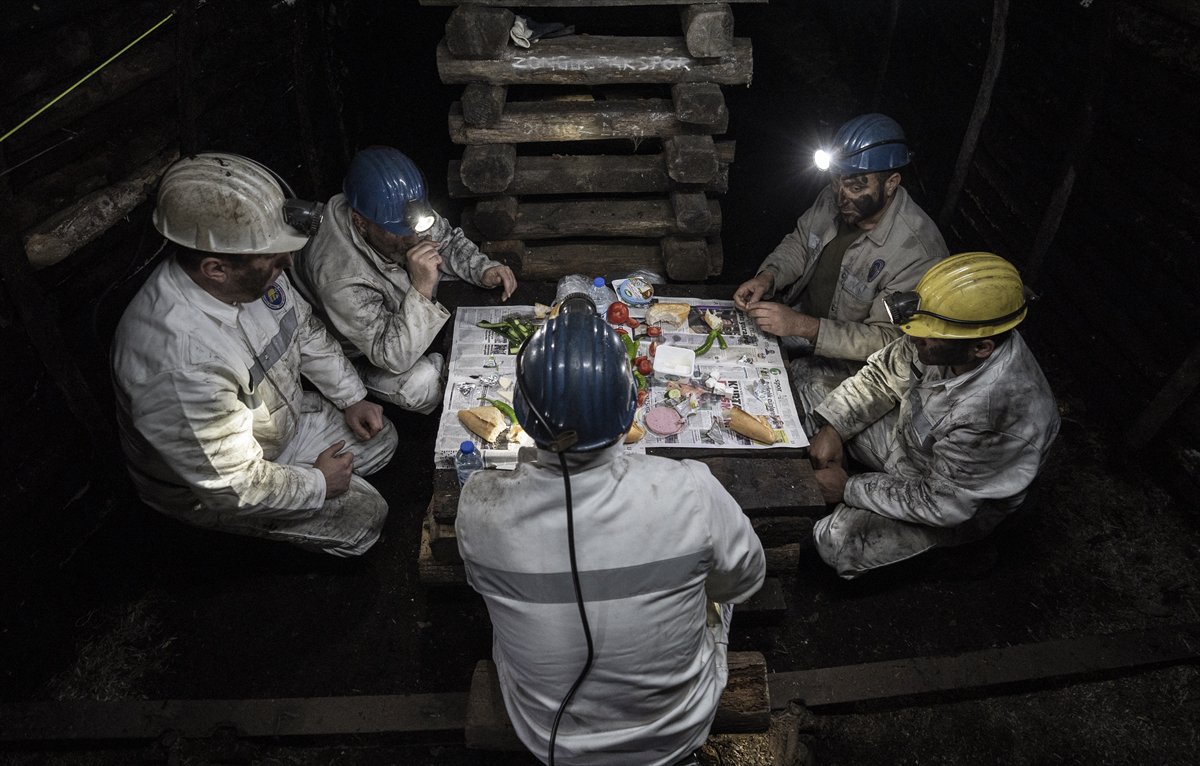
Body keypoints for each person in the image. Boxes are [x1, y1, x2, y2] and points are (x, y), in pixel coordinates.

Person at [455, 301, 766, 766]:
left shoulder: (479, 506)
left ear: (523, 413)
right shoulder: (690, 490)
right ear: (630, 409)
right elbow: (744, 582)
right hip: (676, 734)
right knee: (714, 587)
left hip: (549, 740)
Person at [111, 152, 399, 557]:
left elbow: (304, 331)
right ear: (216, 268)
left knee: (382, 440)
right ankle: (227, 548)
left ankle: (308, 487)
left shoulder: (250, 279)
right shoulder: (180, 362)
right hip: (220, 483)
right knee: (366, 515)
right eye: (275, 257)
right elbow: (233, 483)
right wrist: (317, 483)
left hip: (280, 427)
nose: (288, 262)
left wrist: (352, 397)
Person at [804, 252, 1060, 579]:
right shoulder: (945, 331)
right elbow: (883, 376)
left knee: (836, 542)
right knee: (809, 383)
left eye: (928, 336)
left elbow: (939, 501)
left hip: (950, 501)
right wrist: (834, 427)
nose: (913, 338)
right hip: (912, 442)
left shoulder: (1000, 412)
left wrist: (849, 489)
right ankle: (856, 482)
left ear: (981, 348)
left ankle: (958, 555)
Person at [733, 113, 948, 425]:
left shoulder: (917, 252)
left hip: (852, 365)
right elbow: (800, 241)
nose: (842, 195)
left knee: (793, 410)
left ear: (891, 184)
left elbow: (888, 342)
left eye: (858, 185)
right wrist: (768, 277)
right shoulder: (835, 199)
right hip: (802, 322)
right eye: (837, 180)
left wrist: (802, 326)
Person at [291, 146, 518, 414]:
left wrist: (482, 269)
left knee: (455, 279)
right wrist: (422, 289)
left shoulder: (397, 211)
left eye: (416, 226)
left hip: (395, 301)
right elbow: (392, 357)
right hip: (360, 351)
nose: (413, 238)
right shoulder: (340, 276)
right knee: (424, 383)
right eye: (399, 233)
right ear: (360, 223)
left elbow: (444, 239)